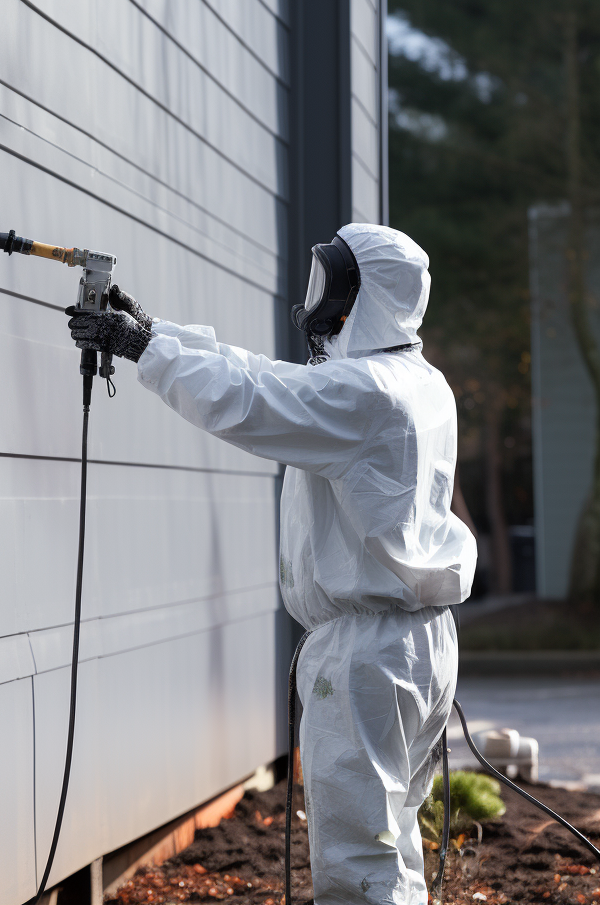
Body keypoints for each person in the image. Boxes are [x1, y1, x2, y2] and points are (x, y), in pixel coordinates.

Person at [67, 223, 477, 905]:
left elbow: (252, 401)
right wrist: (156, 331)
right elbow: (270, 378)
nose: (312, 300)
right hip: (418, 643)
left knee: (358, 864)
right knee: (391, 839)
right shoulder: (417, 381)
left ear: (357, 295)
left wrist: (142, 350)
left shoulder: (366, 394)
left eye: (328, 281)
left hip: (367, 655)